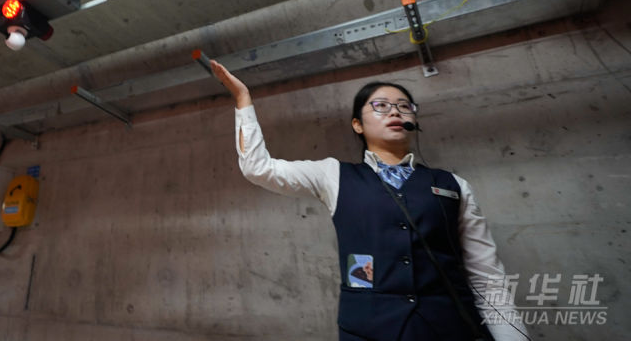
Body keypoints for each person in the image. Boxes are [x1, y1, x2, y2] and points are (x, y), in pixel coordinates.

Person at [210, 60, 529, 341]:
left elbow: (488, 276)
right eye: (380, 105)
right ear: (357, 124)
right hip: (368, 331)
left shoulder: (454, 185)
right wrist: (243, 99)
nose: (395, 111)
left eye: (404, 106)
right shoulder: (333, 175)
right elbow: (258, 168)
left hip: (449, 329)